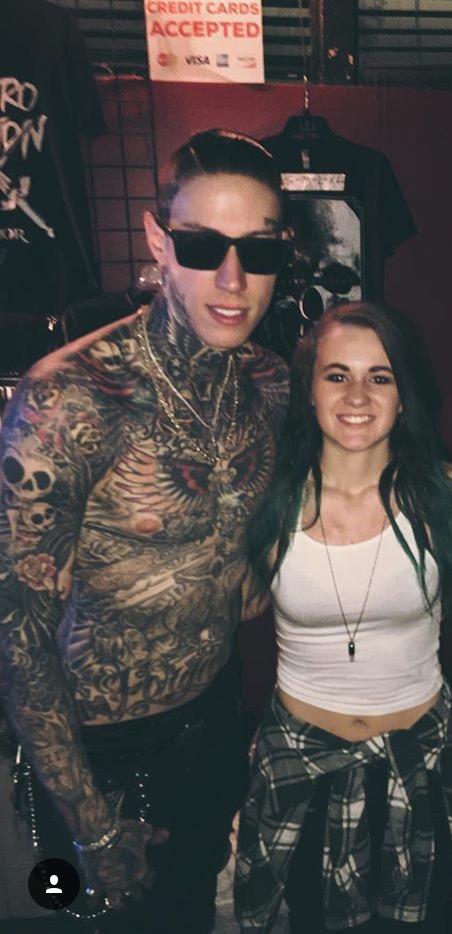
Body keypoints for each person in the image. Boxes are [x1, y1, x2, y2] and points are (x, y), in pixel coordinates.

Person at [0, 128, 292, 933]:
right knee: (89, 918)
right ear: (158, 241)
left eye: (259, 250)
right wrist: (91, 822)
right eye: (201, 245)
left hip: (212, 721)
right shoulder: (70, 400)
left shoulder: (269, 384)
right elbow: (16, 634)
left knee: (189, 910)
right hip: (91, 752)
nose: (232, 279)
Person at [234, 302, 452, 933]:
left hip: (421, 765)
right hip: (301, 769)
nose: (357, 396)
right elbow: (234, 605)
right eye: (337, 375)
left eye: (380, 376)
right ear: (310, 391)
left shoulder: (450, 492)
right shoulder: (268, 499)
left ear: (404, 395)